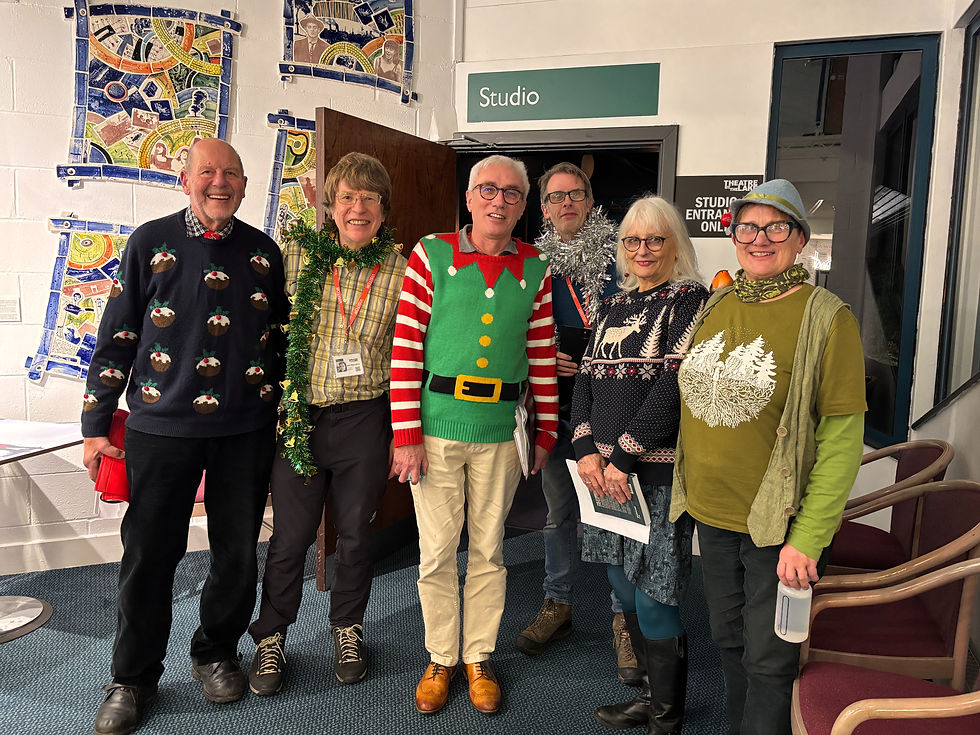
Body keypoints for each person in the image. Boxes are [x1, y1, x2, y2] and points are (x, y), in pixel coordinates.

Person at [82, 138, 288, 735]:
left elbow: (278, 341)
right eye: (207, 172)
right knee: (149, 556)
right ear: (185, 180)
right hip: (159, 429)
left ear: (245, 185)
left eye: (230, 174)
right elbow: (117, 337)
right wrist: (96, 426)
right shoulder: (150, 242)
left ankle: (217, 650)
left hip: (245, 430)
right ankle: (133, 677)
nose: (218, 183)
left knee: (235, 553)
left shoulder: (264, 253)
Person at [670, 179, 866, 735]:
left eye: (776, 227)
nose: (760, 239)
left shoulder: (828, 319)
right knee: (729, 642)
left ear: (800, 239)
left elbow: (841, 442)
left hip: (777, 527)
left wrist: (809, 537)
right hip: (711, 513)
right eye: (748, 227)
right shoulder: (721, 300)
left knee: (771, 661)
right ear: (733, 236)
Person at [390, 154, 558, 715]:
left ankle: (477, 655)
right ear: (469, 198)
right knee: (437, 552)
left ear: (522, 206)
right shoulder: (431, 254)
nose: (499, 201)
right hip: (435, 429)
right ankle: (441, 655)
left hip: (501, 430)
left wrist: (546, 429)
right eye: (488, 189)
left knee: (488, 550)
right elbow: (407, 345)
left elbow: (540, 355)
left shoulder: (536, 266)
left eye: (512, 194)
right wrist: (406, 432)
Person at [245, 152, 406, 695]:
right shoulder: (294, 254)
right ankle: (271, 639)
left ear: (384, 210)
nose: (358, 208)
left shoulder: (403, 269)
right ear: (329, 205)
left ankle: (348, 628)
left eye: (370, 199)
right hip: (300, 417)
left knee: (356, 535)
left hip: (365, 416)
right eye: (347, 198)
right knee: (290, 537)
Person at [572, 196, 707, 734]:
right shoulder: (610, 305)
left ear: (675, 245)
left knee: (655, 592)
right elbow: (583, 380)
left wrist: (623, 457)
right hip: (599, 475)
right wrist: (584, 450)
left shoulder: (690, 301)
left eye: (656, 239)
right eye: (632, 240)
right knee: (621, 583)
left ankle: (667, 718)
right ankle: (650, 697)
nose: (643, 250)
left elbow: (673, 386)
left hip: (651, 474)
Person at [516, 162, 641, 684]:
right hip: (558, 410)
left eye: (577, 195)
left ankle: (623, 618)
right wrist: (543, 354)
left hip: (616, 415)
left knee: (618, 516)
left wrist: (595, 356)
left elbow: (645, 323)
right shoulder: (532, 266)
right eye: (556, 197)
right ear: (544, 209)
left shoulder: (624, 257)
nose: (567, 203)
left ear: (592, 202)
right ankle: (557, 604)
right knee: (557, 514)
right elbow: (508, 333)